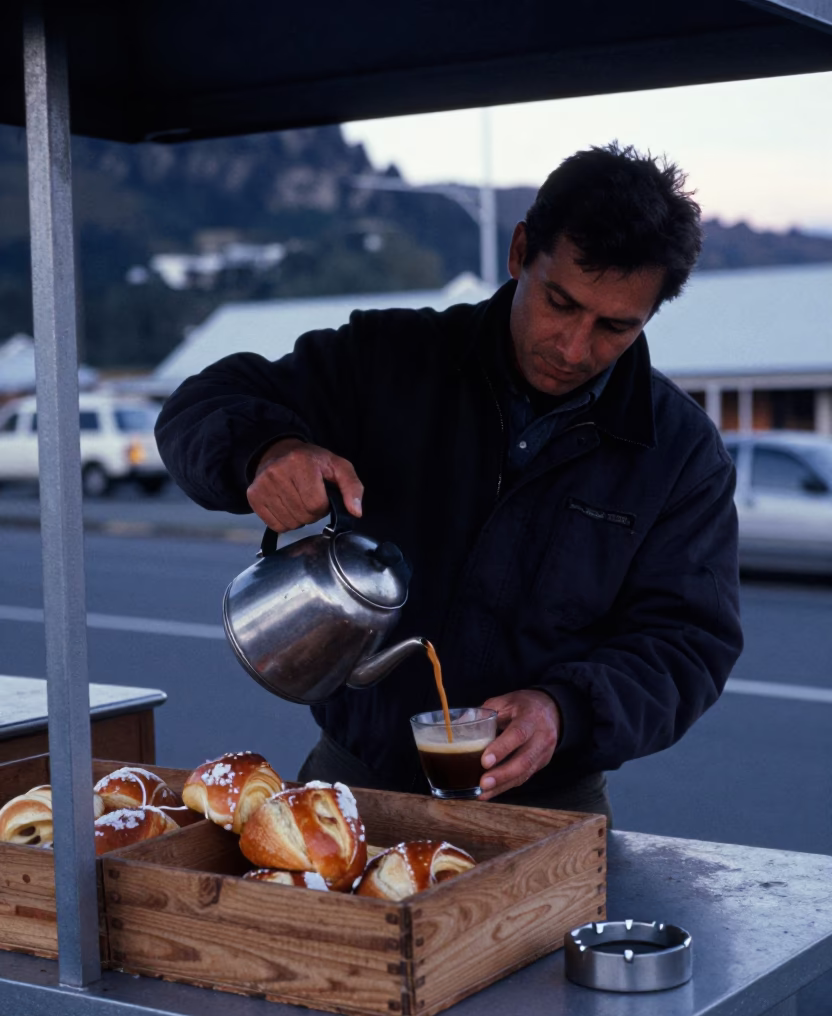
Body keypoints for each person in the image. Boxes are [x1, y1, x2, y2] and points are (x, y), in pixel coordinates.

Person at [156, 142, 743, 823]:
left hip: (546, 814)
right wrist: (267, 450)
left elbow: (687, 643)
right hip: (352, 790)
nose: (574, 348)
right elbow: (201, 404)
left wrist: (566, 710)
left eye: (615, 327)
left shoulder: (678, 454)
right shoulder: (390, 360)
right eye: (559, 303)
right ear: (521, 250)